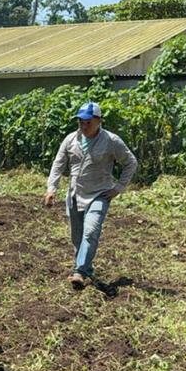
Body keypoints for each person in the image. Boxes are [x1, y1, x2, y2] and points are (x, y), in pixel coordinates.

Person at [44, 102, 138, 289]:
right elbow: (58, 164)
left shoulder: (111, 140)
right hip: (75, 194)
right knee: (77, 237)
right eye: (81, 121)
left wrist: (119, 187)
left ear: (98, 121)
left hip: (99, 194)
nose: (84, 125)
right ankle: (86, 267)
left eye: (88, 122)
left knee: (91, 231)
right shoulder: (71, 139)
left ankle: (79, 271)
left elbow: (131, 162)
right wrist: (51, 188)